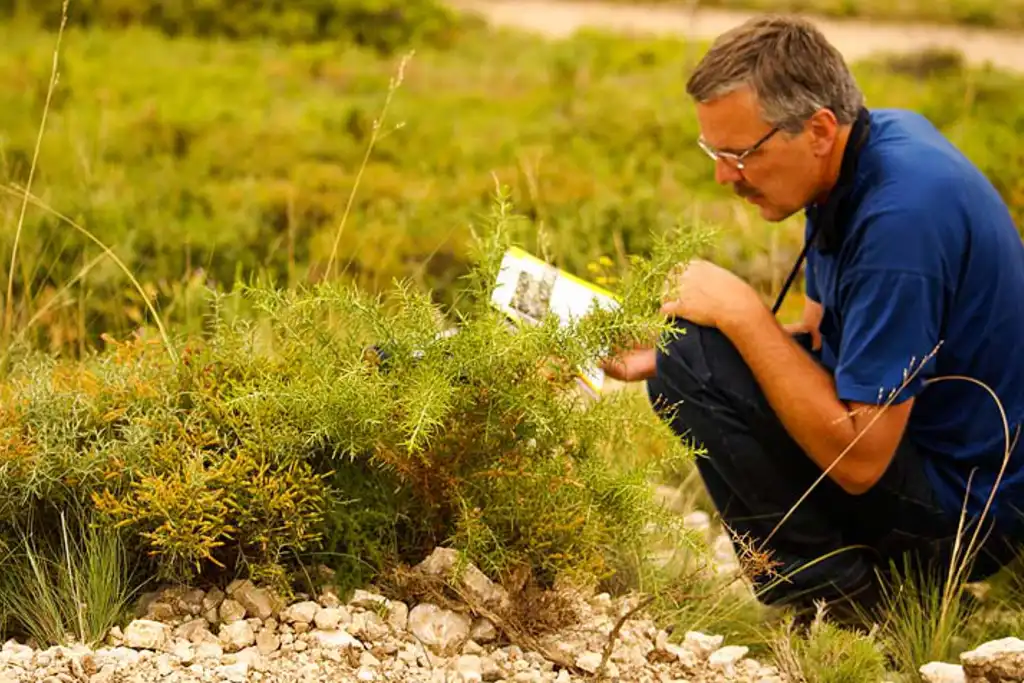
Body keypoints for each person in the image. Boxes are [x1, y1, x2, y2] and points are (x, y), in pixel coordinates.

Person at [602, 14, 1024, 625]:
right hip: (936, 462)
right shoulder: (857, 160)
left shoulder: (901, 223)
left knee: (693, 358)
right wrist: (680, 348)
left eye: (740, 153)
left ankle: (858, 608)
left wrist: (744, 314)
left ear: (819, 129)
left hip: (968, 513)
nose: (724, 175)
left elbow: (859, 462)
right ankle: (876, 588)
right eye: (713, 151)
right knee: (686, 354)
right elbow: (820, 341)